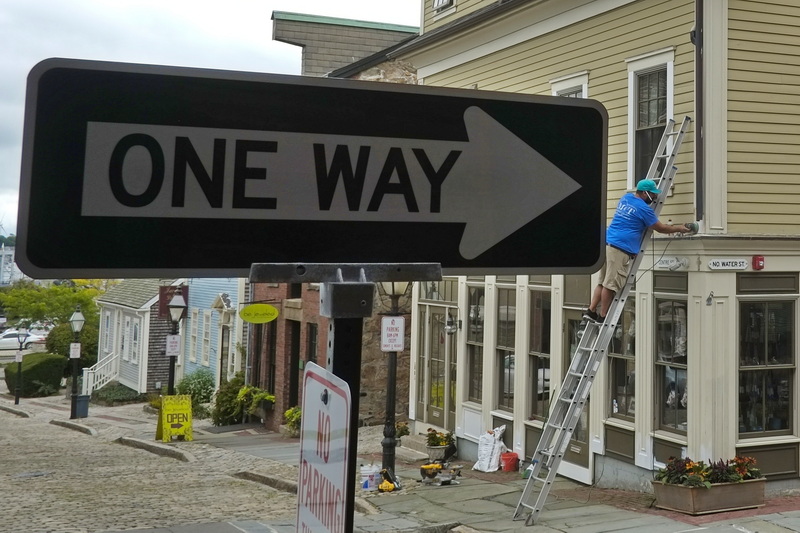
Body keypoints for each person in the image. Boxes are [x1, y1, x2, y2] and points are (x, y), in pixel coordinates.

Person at [583, 179, 693, 323]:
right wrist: (679, 228)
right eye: (652, 195)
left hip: (607, 243)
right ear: (645, 193)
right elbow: (661, 228)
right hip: (619, 248)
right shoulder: (644, 209)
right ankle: (603, 316)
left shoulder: (626, 198)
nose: (654, 198)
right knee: (610, 285)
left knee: (602, 282)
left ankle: (591, 311)